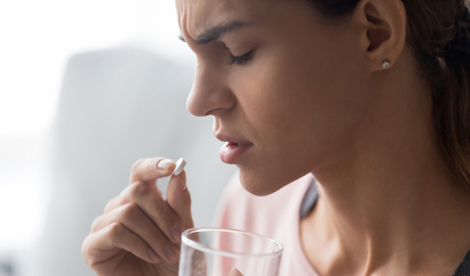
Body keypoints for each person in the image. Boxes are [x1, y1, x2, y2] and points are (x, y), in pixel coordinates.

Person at [81, 0, 470, 275]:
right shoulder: (251, 221)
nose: (197, 102)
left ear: (375, 33)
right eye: (195, 55)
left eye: (238, 52)